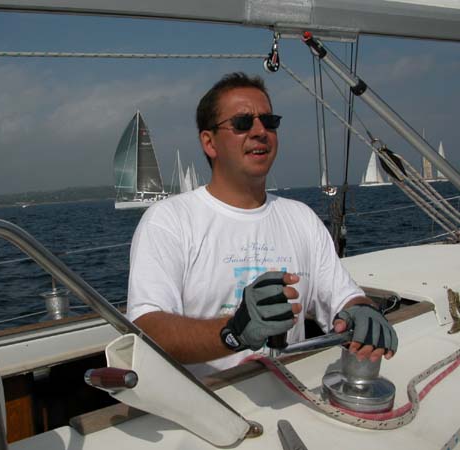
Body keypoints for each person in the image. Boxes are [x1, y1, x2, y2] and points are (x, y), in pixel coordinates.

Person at [126, 72, 397, 377]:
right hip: (206, 397)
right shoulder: (168, 221)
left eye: (269, 122)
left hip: (290, 391)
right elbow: (147, 327)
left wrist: (362, 310)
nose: (260, 131)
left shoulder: (302, 219)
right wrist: (234, 331)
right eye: (243, 123)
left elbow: (343, 297)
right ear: (209, 142)